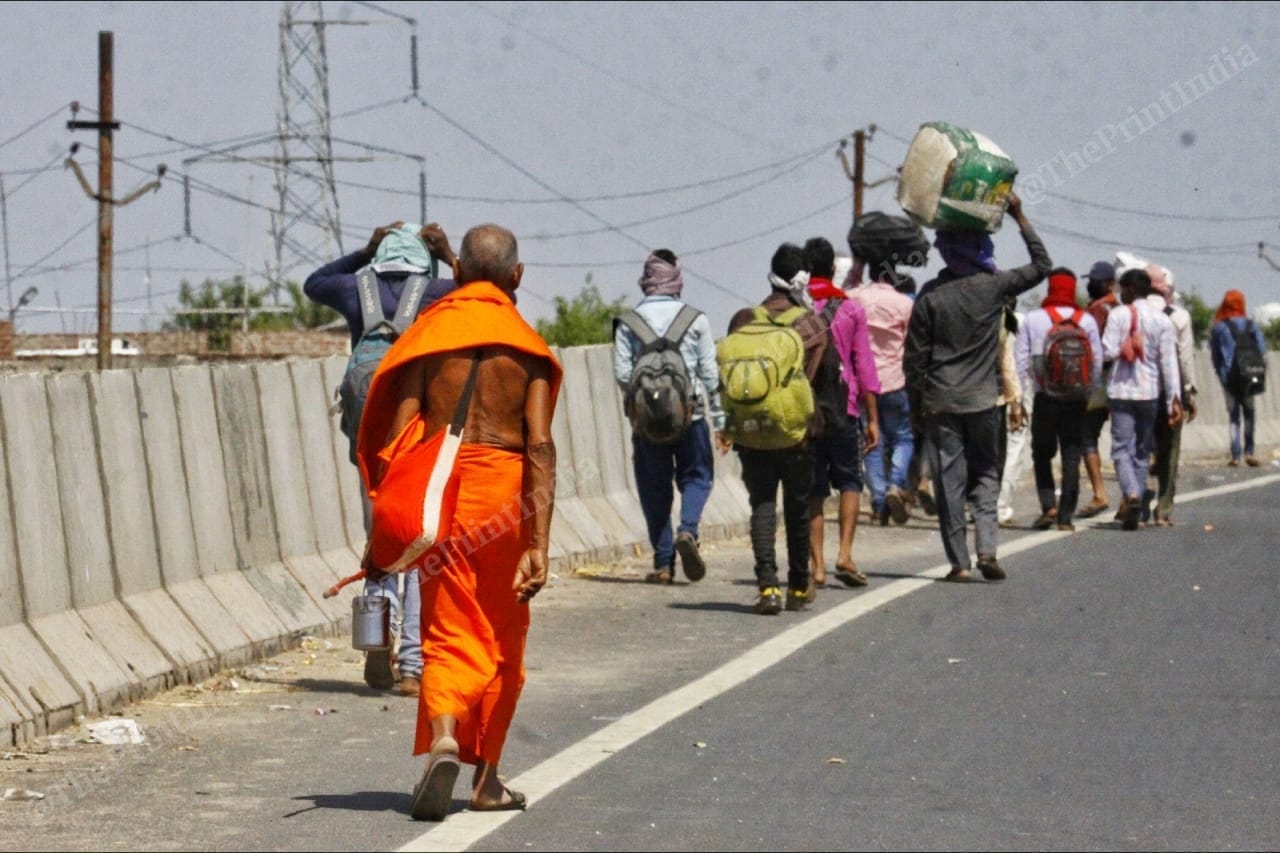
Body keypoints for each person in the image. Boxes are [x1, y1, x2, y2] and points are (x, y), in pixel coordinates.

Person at [357, 223, 560, 821]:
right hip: (504, 497)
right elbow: (540, 447)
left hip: (442, 491)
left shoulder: (431, 335)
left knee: (445, 626)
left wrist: (392, 525)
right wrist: (539, 542)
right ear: (516, 277)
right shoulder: (527, 346)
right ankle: (487, 778)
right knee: (502, 636)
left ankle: (445, 735)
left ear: (458, 274)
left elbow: (399, 438)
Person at [304, 221, 458, 697]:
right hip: (414, 432)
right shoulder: (435, 292)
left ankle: (376, 636)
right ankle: (412, 665)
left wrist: (363, 252)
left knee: (381, 536)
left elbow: (314, 284)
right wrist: (450, 253)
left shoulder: (356, 292)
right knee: (419, 541)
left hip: (367, 434)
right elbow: (491, 293)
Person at [903, 191, 1051, 582]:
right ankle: (987, 548)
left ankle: (959, 564)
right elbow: (1042, 265)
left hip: (941, 402)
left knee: (949, 482)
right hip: (985, 402)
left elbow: (914, 362)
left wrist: (916, 409)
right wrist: (1019, 215)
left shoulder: (930, 296)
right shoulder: (995, 287)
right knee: (986, 473)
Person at [613, 249, 725, 584]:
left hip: (646, 425)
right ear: (676, 277)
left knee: (653, 489)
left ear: (646, 278)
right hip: (689, 418)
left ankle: (663, 563)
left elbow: (622, 373)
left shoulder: (629, 322)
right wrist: (720, 420)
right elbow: (709, 374)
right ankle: (688, 530)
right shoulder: (695, 319)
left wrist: (645, 405)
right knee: (697, 478)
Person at [726, 243, 827, 614]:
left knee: (762, 506)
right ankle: (798, 586)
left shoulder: (742, 321)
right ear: (802, 279)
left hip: (752, 431)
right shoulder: (812, 325)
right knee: (797, 508)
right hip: (797, 434)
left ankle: (767, 586)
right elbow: (815, 381)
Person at [803, 236, 880, 589]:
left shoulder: (799, 308)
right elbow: (863, 364)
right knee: (850, 480)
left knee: (814, 488)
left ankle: (816, 566)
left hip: (805, 412)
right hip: (844, 407)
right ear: (833, 269)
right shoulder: (849, 308)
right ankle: (844, 554)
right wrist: (873, 418)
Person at [1014, 268, 1102, 531]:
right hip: (1076, 397)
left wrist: (1021, 397)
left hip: (1045, 397)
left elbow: (1020, 361)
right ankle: (1065, 518)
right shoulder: (1085, 320)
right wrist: (1089, 391)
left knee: (1041, 452)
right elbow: (1095, 362)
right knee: (1071, 453)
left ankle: (1048, 505)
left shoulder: (1033, 318)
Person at [1100, 268, 1182, 531]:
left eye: (1122, 289)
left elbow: (1107, 352)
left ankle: (1132, 494)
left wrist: (1121, 348)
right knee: (1141, 451)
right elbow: (1168, 365)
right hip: (1149, 394)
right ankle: (1135, 502)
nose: (1119, 294)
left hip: (1121, 392)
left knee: (1121, 448)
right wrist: (1173, 401)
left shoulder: (1118, 315)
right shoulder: (1162, 321)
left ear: (1131, 289)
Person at [847, 237, 917, 530]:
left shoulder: (857, 298)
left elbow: (845, 290)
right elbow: (914, 343)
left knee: (871, 443)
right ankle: (895, 483)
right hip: (896, 380)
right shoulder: (904, 303)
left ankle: (877, 503)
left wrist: (858, 261)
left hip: (865, 384)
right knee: (903, 437)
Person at [1145, 265, 1198, 526]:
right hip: (1170, 392)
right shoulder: (1179, 317)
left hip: (1139, 392)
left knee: (1139, 449)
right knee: (1170, 452)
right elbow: (1186, 360)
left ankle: (1139, 505)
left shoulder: (1130, 313)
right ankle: (1163, 510)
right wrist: (1188, 394)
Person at [1078, 261, 1119, 518]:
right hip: (1125, 383)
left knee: (1087, 435)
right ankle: (1134, 491)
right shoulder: (1123, 308)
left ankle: (1100, 493)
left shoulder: (1096, 310)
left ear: (1108, 284)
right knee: (1126, 437)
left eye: (1095, 281)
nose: (1090, 285)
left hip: (1099, 382)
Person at [1210, 289, 1267, 467]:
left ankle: (1235, 455)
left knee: (1234, 417)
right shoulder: (1251, 325)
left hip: (1229, 378)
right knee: (1249, 414)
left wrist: (1221, 375)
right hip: (1250, 376)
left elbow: (1215, 355)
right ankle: (1249, 451)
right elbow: (1262, 350)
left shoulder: (1219, 327)